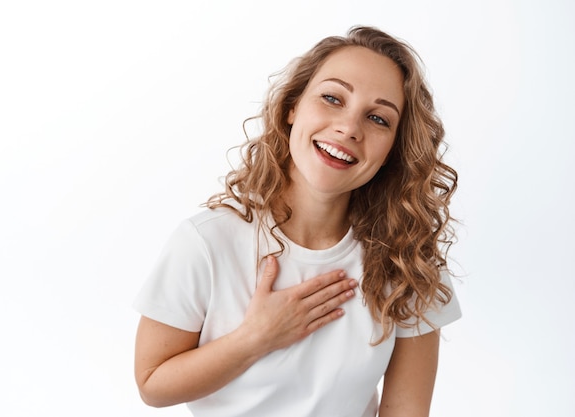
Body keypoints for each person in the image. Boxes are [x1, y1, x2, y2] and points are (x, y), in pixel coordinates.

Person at [133, 25, 461, 417]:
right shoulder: (206, 243)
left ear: (393, 149)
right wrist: (256, 338)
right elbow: (152, 384)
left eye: (378, 118)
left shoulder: (409, 262)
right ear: (292, 107)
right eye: (331, 98)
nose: (349, 128)